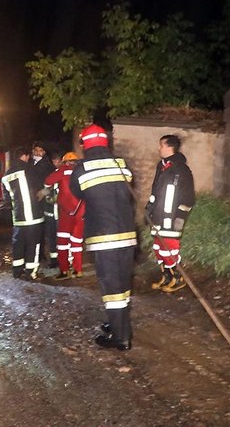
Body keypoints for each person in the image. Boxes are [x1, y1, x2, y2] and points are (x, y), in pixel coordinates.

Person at [70, 124, 136, 351]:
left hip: (103, 238)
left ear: (84, 144)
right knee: (123, 285)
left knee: (112, 289)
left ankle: (121, 338)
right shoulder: (121, 164)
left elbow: (77, 192)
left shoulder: (82, 169)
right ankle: (117, 322)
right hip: (128, 236)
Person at [145, 134, 195, 293]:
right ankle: (166, 276)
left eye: (161, 145)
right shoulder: (162, 167)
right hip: (158, 216)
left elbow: (189, 197)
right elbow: (155, 191)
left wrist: (180, 217)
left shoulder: (182, 169)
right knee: (159, 248)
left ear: (169, 147)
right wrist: (149, 209)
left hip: (172, 218)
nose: (159, 149)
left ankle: (178, 278)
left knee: (170, 250)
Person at [1, 145, 45, 280]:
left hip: (18, 216)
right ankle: (31, 271)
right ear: (25, 156)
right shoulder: (30, 169)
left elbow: (7, 198)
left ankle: (17, 270)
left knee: (18, 244)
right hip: (34, 215)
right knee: (33, 243)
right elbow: (39, 188)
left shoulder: (6, 176)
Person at [45, 151, 85, 280]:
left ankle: (64, 270)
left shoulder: (63, 170)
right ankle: (78, 270)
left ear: (65, 162)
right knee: (77, 242)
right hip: (81, 212)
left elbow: (48, 181)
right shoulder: (83, 171)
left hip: (66, 213)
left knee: (62, 242)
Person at [31, 141, 56, 267]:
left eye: (40, 150)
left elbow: (53, 183)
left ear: (44, 152)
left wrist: (43, 192)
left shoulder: (48, 166)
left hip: (45, 202)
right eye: (35, 150)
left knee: (46, 230)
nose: (37, 153)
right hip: (31, 201)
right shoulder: (29, 165)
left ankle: (46, 256)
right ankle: (36, 254)